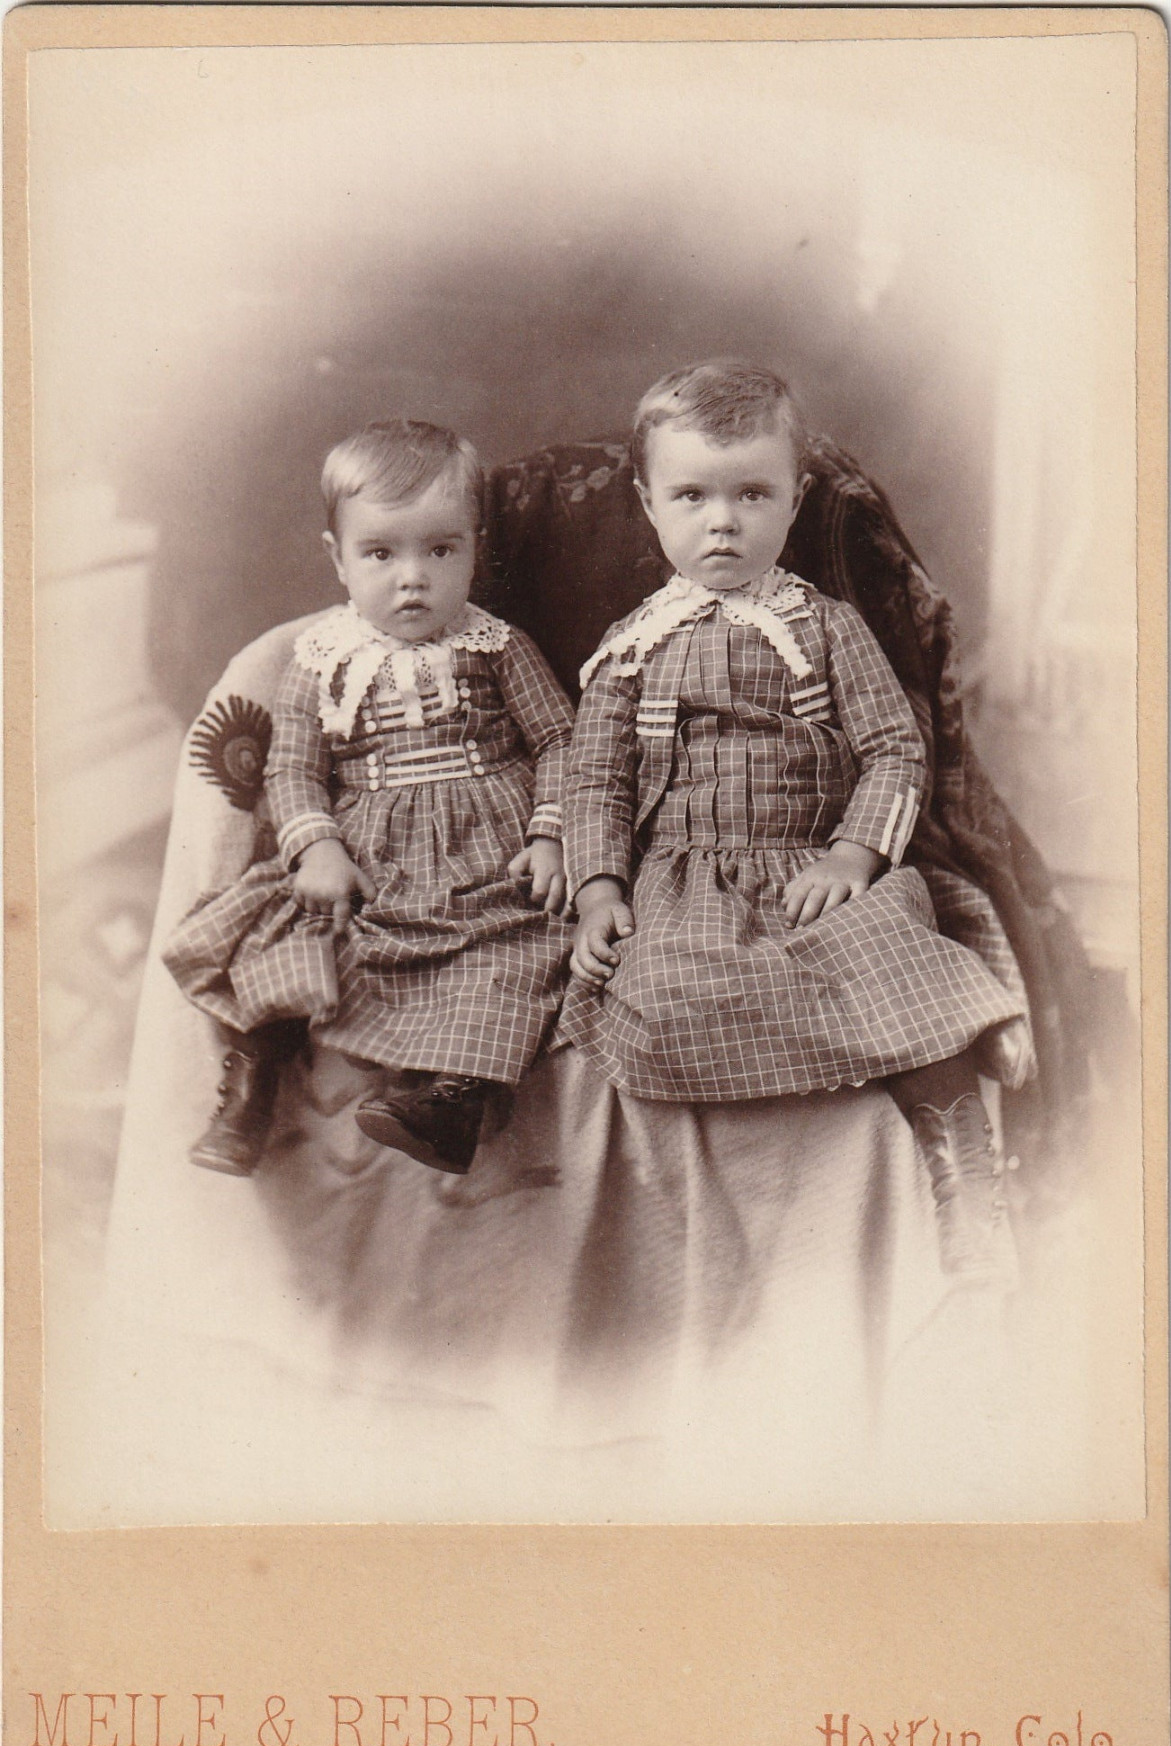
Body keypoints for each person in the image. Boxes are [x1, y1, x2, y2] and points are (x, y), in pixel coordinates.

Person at [561, 360, 1030, 1280]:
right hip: (688, 879)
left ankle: (962, 1170)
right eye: (690, 495)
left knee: (889, 950)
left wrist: (855, 856)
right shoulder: (630, 651)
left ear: (795, 500)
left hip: (812, 861)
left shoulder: (826, 627)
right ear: (648, 502)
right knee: (652, 990)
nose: (722, 520)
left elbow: (899, 746)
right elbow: (594, 784)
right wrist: (599, 889)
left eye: (752, 493)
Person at [164, 418, 573, 1177]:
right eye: (381, 553)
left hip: (486, 852)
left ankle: (450, 1100)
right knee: (281, 929)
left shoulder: (497, 647)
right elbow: (290, 769)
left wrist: (548, 836)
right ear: (339, 560)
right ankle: (251, 1087)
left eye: (440, 549)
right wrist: (317, 846)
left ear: (475, 549)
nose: (412, 577)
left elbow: (559, 739)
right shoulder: (318, 661)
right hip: (367, 853)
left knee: (519, 950)